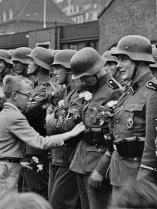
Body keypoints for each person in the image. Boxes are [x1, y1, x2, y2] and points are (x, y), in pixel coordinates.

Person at [0, 75, 85, 208]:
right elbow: (41, 142)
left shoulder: (4, 113)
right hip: (5, 172)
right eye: (27, 95)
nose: (29, 100)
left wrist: (14, 161)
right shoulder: (15, 116)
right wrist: (71, 133)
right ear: (15, 95)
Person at [92, 35, 157, 200]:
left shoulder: (152, 93)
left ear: (140, 62)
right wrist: (102, 168)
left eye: (123, 59)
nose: (118, 65)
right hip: (119, 176)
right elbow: (117, 136)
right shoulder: (129, 92)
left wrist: (141, 185)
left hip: (137, 181)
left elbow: (152, 147)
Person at [69, 47, 122, 209]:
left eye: (84, 77)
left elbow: (116, 135)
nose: (82, 81)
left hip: (98, 162)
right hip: (82, 160)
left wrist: (102, 168)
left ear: (96, 71)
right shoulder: (89, 89)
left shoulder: (114, 91)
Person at [46, 49, 82, 209]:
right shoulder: (67, 92)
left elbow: (69, 124)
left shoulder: (79, 93)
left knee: (59, 204)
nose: (53, 72)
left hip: (69, 157)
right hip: (59, 156)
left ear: (69, 68)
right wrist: (55, 118)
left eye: (57, 67)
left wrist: (50, 121)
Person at [22, 47, 59, 197]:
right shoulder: (35, 87)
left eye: (31, 60)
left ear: (39, 64)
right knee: (28, 189)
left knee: (37, 189)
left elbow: (25, 111)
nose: (28, 63)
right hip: (29, 144)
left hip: (37, 147)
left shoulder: (47, 90)